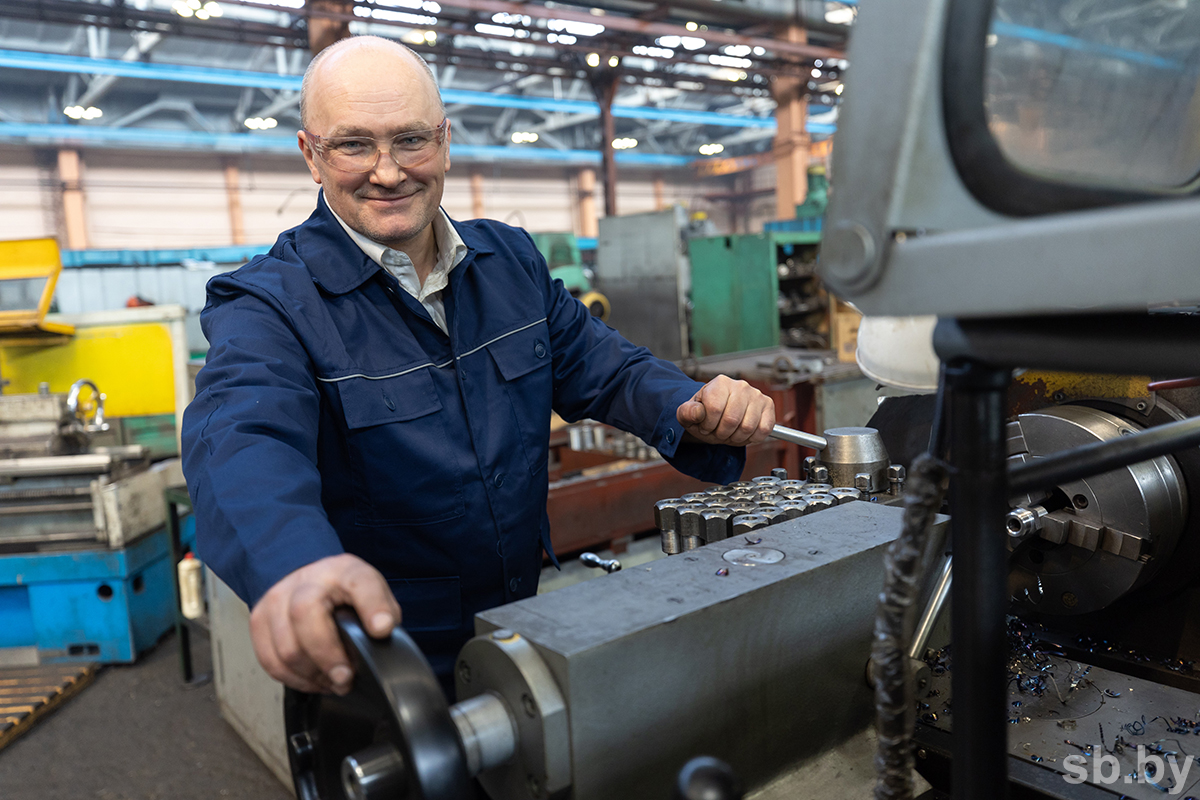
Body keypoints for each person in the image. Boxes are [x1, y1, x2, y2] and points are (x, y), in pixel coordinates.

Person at [181, 35, 776, 698]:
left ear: (445, 141)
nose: (387, 172)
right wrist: (295, 565)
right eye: (353, 145)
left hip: (520, 622)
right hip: (382, 661)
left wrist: (690, 402)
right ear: (311, 155)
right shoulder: (269, 304)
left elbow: (606, 367)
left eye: (411, 140)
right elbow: (242, 440)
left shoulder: (509, 264)